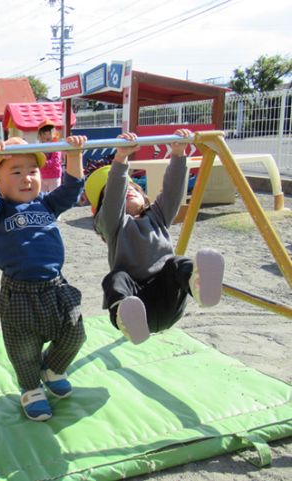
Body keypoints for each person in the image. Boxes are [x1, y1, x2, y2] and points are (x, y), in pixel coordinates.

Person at [0, 136, 88, 422]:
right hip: (19, 292)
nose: (27, 178)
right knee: (23, 347)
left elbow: (73, 188)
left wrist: (74, 153)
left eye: (33, 171)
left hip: (56, 285)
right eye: (16, 172)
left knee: (75, 332)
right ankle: (30, 389)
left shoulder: (47, 205)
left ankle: (52, 369)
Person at [84, 130, 225, 345]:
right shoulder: (113, 226)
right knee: (115, 279)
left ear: (144, 195)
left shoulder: (158, 216)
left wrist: (178, 155)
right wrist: (121, 160)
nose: (129, 191)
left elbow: (173, 191)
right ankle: (125, 316)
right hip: (137, 304)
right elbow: (113, 200)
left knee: (177, 262)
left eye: (134, 189)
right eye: (124, 190)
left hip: (169, 297)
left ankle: (198, 287)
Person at [36, 119, 63, 193]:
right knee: (41, 194)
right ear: (40, 136)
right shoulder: (39, 147)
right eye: (44, 134)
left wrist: (44, 163)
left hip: (54, 175)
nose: (47, 136)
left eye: (49, 133)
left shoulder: (56, 146)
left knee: (55, 194)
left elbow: (56, 160)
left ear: (53, 134)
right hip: (42, 175)